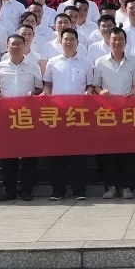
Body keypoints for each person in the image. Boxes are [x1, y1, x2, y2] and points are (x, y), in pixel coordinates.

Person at [0, 34, 44, 201]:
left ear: (25, 45)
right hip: (6, 116)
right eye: (12, 44)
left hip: (27, 115)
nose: (16, 47)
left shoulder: (33, 66)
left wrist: (33, 94)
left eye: (19, 43)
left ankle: (27, 189)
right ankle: (9, 189)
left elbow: (39, 88)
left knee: (29, 154)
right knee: (8, 154)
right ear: (7, 47)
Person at [42, 28, 94, 200]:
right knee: (57, 154)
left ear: (78, 42)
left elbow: (90, 86)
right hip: (57, 114)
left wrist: (88, 93)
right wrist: (45, 95)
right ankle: (58, 190)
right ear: (61, 41)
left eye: (72, 39)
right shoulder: (53, 62)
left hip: (78, 114)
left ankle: (79, 190)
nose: (69, 42)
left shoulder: (85, 63)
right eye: (66, 39)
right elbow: (48, 85)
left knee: (78, 154)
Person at [93, 27, 135, 200]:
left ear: (125, 41)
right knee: (109, 153)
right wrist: (101, 91)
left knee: (128, 152)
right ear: (109, 41)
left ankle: (128, 187)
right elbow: (96, 86)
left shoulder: (133, 61)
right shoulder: (100, 62)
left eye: (120, 39)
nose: (117, 42)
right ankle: (111, 187)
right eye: (114, 39)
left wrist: (133, 93)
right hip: (107, 115)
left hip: (128, 113)